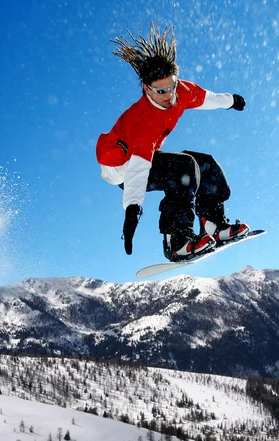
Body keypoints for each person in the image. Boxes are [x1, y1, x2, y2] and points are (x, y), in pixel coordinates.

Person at [96, 23, 249, 262]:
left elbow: (206, 98)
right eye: (160, 91)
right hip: (123, 168)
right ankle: (176, 240)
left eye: (171, 86)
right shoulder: (143, 120)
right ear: (146, 89)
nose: (168, 96)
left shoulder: (182, 91)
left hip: (144, 158)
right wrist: (132, 210)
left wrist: (230, 101)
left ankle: (213, 225)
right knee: (184, 168)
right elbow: (138, 168)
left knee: (205, 164)